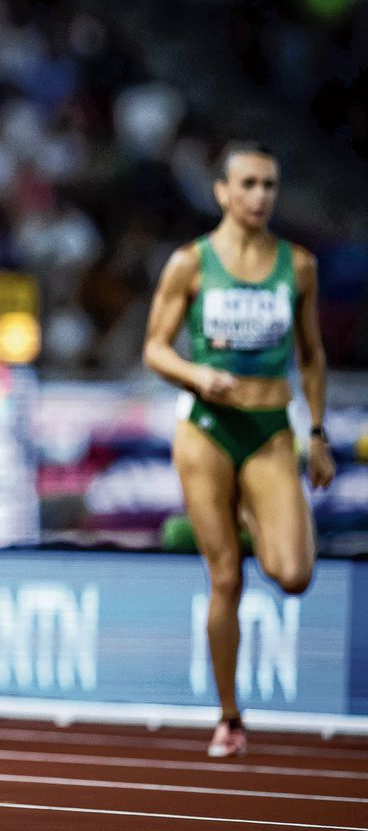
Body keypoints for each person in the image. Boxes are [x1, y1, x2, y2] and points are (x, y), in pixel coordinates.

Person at [144, 141, 335, 758]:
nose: (259, 197)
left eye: (269, 186)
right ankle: (230, 716)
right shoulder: (190, 263)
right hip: (206, 429)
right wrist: (198, 376)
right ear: (222, 192)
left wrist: (318, 433)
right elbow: (154, 348)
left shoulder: (297, 266)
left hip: (270, 427)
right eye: (248, 184)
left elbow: (311, 356)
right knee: (225, 577)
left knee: (294, 574)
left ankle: (250, 516)